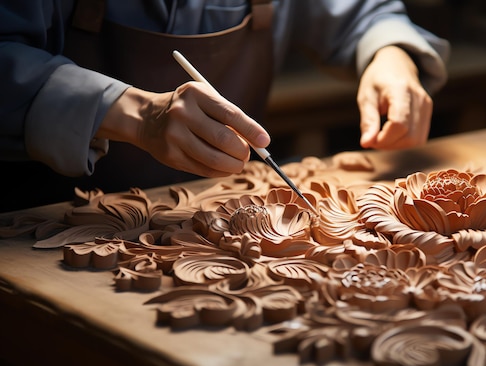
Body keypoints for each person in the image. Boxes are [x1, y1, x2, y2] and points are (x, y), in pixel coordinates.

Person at [0, 0, 449, 211]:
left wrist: (390, 56)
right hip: (53, 218)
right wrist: (134, 114)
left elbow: (364, 16)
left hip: (219, 213)